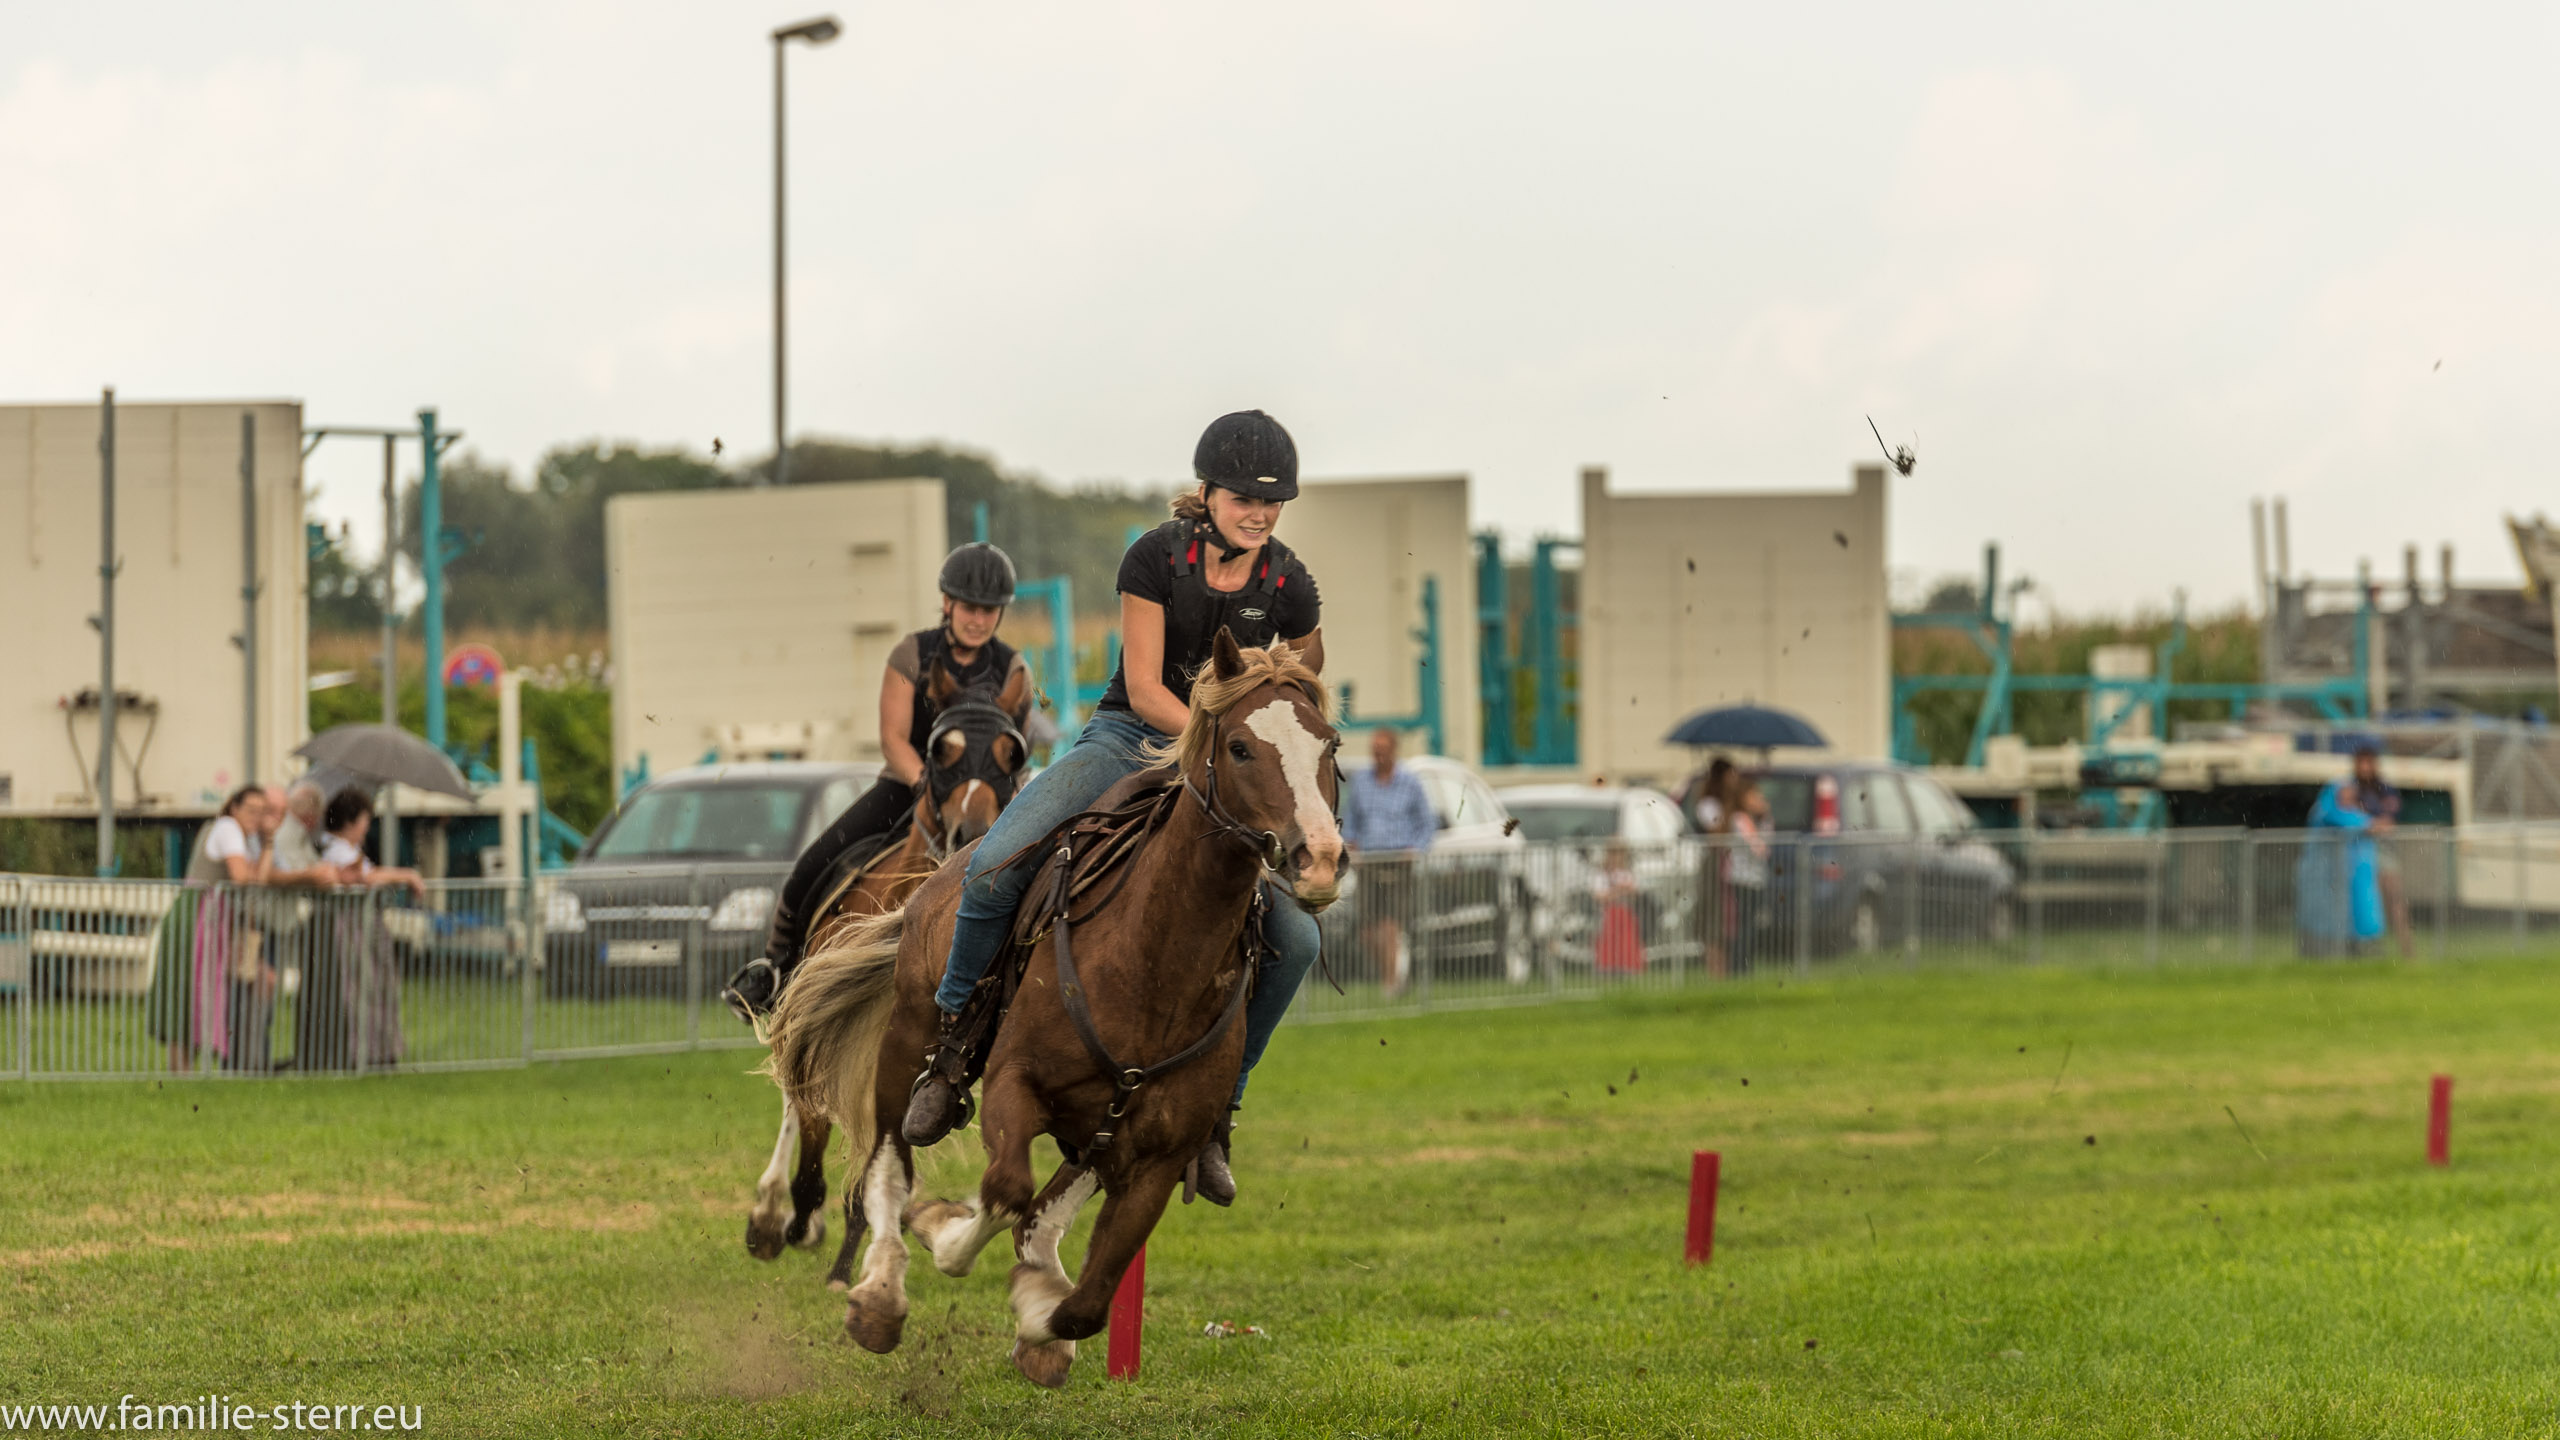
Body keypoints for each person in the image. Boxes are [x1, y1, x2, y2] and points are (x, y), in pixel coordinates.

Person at [904, 409, 1326, 1207]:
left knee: (1299, 940)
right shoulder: (1155, 558)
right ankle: (954, 1050)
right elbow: (1143, 690)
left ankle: (1218, 1111)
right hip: (1130, 739)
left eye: (1273, 503)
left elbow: (1301, 683)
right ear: (1207, 494)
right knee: (993, 868)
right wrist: (1217, 734)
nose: (1260, 514)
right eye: (1244, 499)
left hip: (1226, 767)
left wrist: (1277, 728)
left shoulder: (1290, 585)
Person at [726, 543, 1034, 1018]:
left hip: (986, 800)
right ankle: (776, 971)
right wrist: (927, 787)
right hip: (907, 786)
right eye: (970, 607)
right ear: (947, 603)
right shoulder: (912, 652)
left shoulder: (1013, 668)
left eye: (990, 610)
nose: (979, 619)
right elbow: (893, 737)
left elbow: (1015, 752)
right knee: (814, 863)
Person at [311, 786, 424, 1068]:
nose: (366, 827)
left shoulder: (348, 850)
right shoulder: (338, 851)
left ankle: (380, 1049)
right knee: (363, 988)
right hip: (352, 927)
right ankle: (368, 1053)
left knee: (376, 987)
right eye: (364, 820)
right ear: (350, 821)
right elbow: (368, 878)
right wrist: (407, 875)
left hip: (363, 925)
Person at [1338, 727, 1436, 998]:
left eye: (1382, 750)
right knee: (1368, 930)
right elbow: (1352, 819)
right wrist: (1352, 842)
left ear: (1394, 750)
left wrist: (1414, 850)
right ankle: (1393, 973)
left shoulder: (1410, 782)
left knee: (1390, 923)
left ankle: (1391, 986)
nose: (1378, 755)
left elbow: (1427, 823)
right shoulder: (1362, 781)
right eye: (1374, 750)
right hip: (1369, 862)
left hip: (1398, 863)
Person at [2351, 746, 2414, 958]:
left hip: (2383, 851)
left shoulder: (2384, 789)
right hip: (2359, 853)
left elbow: (2388, 822)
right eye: (2362, 762)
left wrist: (2371, 824)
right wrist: (2369, 824)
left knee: (2395, 901)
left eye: (2369, 762)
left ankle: (2407, 951)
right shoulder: (2351, 788)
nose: (2365, 767)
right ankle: (2368, 953)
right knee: (2366, 903)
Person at [1725, 780, 1772, 973]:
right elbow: (1758, 849)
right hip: (1742, 880)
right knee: (1745, 926)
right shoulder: (1740, 820)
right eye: (1753, 796)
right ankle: (1739, 967)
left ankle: (1746, 965)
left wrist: (1765, 816)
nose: (1758, 800)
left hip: (1756, 879)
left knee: (1751, 925)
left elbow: (1767, 842)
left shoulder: (1757, 820)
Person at [1592, 839, 1645, 974]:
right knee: (1609, 943)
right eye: (1613, 853)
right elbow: (1599, 897)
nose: (1616, 857)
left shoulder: (1627, 873)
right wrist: (1620, 891)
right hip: (1607, 916)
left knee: (1627, 942)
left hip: (1626, 914)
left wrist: (1619, 891)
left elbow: (1635, 893)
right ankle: (1607, 969)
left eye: (1620, 853)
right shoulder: (1601, 875)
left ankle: (1629, 969)